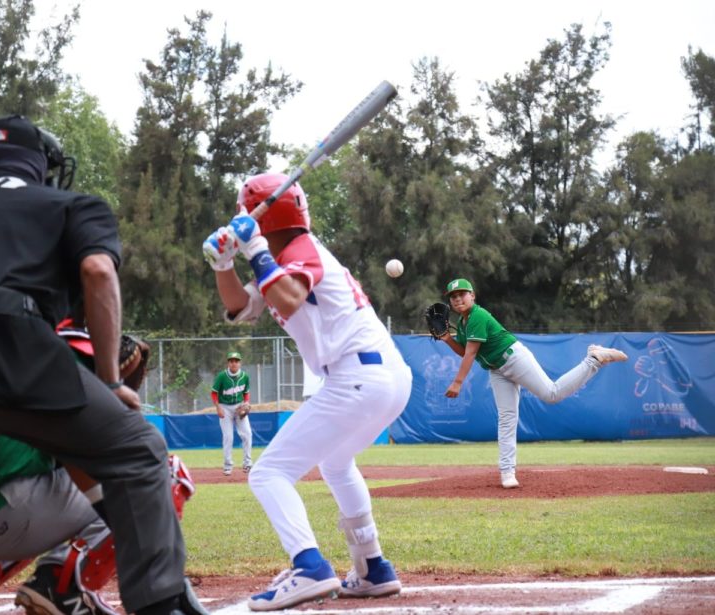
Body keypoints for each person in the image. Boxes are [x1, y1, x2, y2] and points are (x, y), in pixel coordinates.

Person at [0, 115, 206, 615]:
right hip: (15, 345)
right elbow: (97, 269)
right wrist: (109, 380)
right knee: (137, 454)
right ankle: (148, 603)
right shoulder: (67, 203)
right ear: (40, 163)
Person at [203, 173, 413, 611]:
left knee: (267, 473)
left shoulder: (298, 250)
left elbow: (289, 297)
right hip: (382, 376)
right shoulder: (284, 257)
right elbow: (241, 307)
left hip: (357, 377)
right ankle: (372, 567)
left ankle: (309, 566)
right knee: (336, 464)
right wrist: (224, 264)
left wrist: (255, 248)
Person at [0, 327, 195, 615]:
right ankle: (64, 580)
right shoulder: (63, 347)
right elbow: (108, 450)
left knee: (13, 473)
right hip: (11, 512)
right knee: (161, 472)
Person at [438, 278, 628, 489]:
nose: (457, 299)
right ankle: (507, 472)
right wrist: (447, 339)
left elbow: (470, 354)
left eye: (462, 294)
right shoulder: (463, 325)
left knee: (552, 393)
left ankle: (593, 359)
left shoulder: (477, 316)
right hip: (496, 370)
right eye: (453, 297)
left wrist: (457, 382)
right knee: (507, 418)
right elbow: (464, 350)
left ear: (472, 295)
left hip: (513, 358)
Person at [211, 351, 253, 475]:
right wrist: (218, 407)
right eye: (231, 361)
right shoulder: (221, 376)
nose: (234, 363)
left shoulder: (245, 376)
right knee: (228, 437)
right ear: (228, 363)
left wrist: (246, 403)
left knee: (247, 434)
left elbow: (246, 392)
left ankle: (247, 464)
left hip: (239, 406)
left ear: (240, 363)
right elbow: (214, 393)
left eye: (236, 361)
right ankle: (228, 465)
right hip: (225, 407)